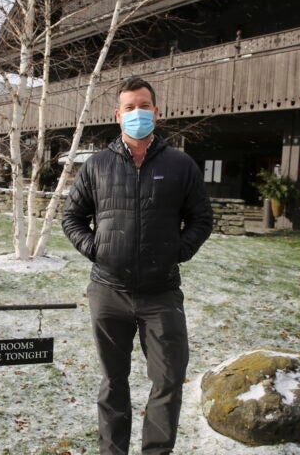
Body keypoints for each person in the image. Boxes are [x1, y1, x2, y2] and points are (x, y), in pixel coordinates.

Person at [62, 76, 213, 454]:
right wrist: (96, 248)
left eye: (143, 106)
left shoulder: (180, 164)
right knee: (113, 382)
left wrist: (177, 251)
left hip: (161, 293)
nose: (137, 113)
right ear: (118, 115)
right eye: (129, 107)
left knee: (168, 380)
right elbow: (72, 217)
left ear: (156, 112)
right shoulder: (97, 165)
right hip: (108, 290)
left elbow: (202, 218)